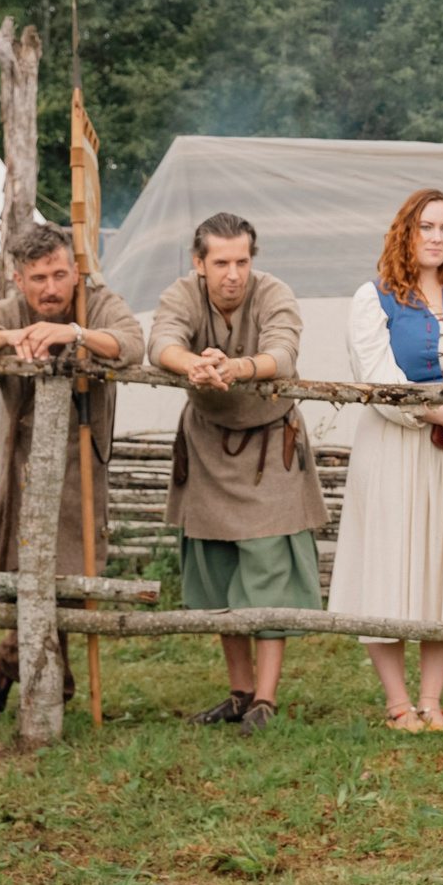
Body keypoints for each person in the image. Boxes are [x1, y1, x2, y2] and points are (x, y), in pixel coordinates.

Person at [0, 223, 143, 717]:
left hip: (80, 469)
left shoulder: (95, 303)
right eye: (38, 278)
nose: (50, 288)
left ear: (74, 271)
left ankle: (6, 667)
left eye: (59, 274)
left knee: (70, 580)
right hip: (18, 467)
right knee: (20, 575)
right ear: (18, 278)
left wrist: (74, 333)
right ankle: (41, 677)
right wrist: (12, 337)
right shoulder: (8, 312)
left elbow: (132, 343)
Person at [150, 212, 327, 733]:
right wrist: (192, 365)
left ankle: (265, 700)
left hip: (271, 445)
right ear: (199, 263)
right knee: (219, 568)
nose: (233, 273)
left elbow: (284, 353)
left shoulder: (274, 292)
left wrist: (235, 366)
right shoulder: (183, 293)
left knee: (268, 568)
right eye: (221, 262)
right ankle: (238, 692)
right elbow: (160, 340)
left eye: (242, 261)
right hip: (207, 446)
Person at [336, 189, 443, 732]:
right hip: (397, 450)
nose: (436, 238)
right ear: (405, 231)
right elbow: (381, 380)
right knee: (389, 565)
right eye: (426, 227)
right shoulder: (373, 297)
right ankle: (397, 703)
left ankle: (432, 701)